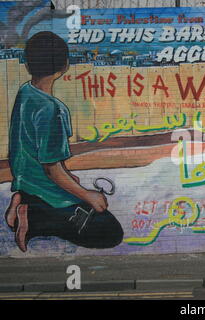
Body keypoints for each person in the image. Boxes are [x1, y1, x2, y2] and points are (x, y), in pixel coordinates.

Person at [3, 31, 123, 252]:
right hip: (46, 191)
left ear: (28, 65)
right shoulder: (53, 110)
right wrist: (87, 195)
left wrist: (71, 181)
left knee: (81, 197)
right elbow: (52, 169)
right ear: (64, 66)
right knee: (111, 232)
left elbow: (33, 150)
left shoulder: (25, 93)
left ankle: (23, 198)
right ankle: (33, 217)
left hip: (27, 181)